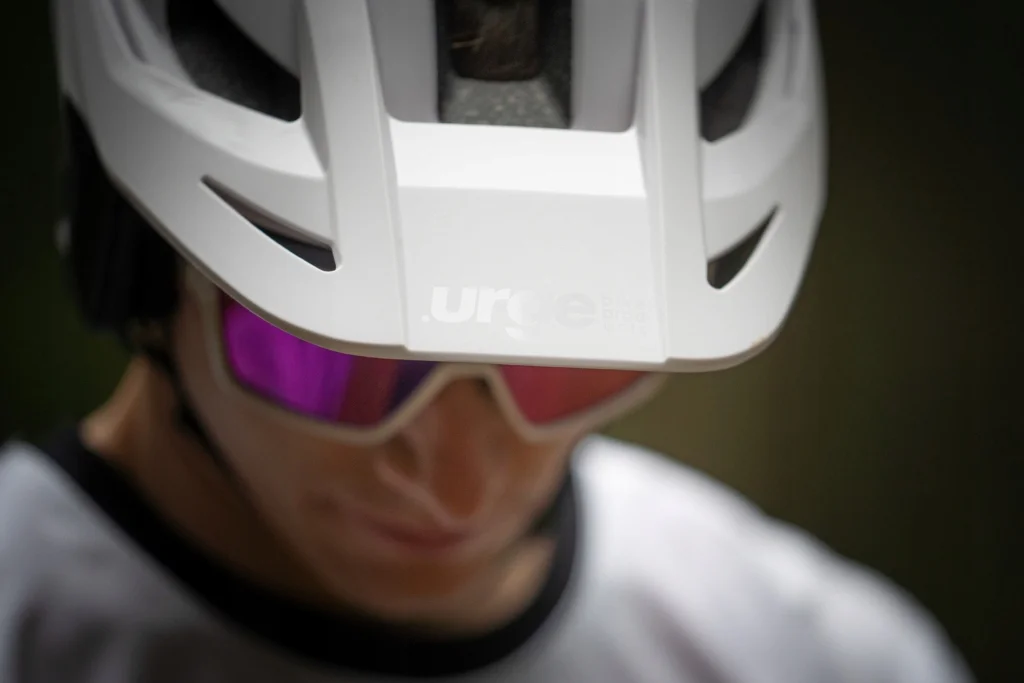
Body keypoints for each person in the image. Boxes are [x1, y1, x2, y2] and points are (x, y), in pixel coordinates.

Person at [0, 0, 973, 681]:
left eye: (569, 350)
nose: (457, 484)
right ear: (142, 263)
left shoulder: (820, 657)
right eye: (336, 357)